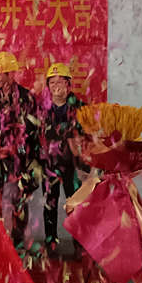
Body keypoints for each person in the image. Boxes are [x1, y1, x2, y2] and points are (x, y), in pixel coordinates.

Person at [0, 51, 39, 248]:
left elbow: (31, 132)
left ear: (11, 75)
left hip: (17, 162)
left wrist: (13, 148)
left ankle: (16, 246)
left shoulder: (26, 99)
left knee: (15, 203)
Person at [37, 62, 87, 255]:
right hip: (49, 165)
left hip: (72, 166)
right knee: (49, 205)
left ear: (68, 84)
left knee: (75, 206)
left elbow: (87, 137)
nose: (56, 86)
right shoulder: (41, 109)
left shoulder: (81, 108)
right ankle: (51, 243)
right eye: (52, 82)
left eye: (60, 82)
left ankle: (80, 245)